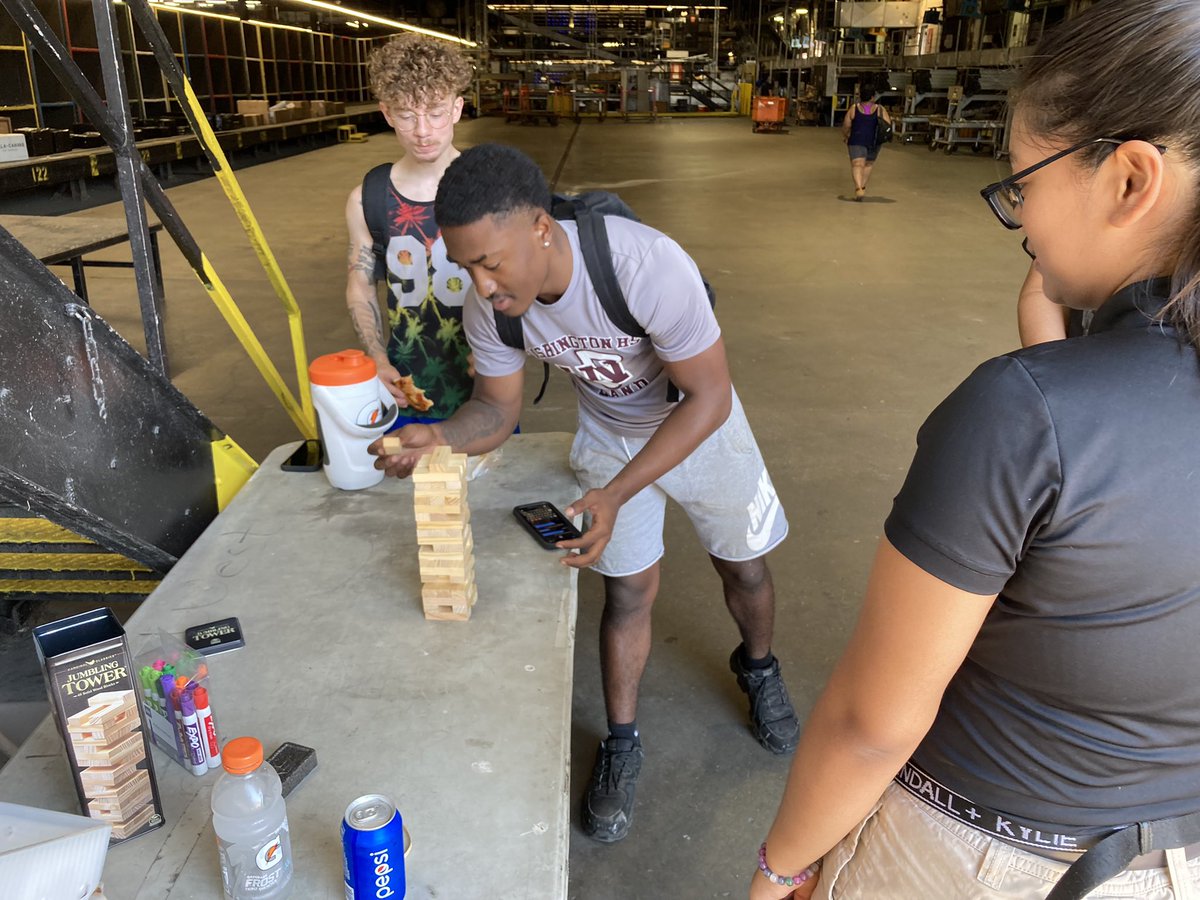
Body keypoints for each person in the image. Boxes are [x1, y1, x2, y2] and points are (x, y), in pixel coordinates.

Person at [753, 2, 1200, 898]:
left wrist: (780, 865)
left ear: (1129, 180)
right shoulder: (1073, 405)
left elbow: (872, 722)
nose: (1022, 218)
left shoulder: (1020, 414)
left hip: (979, 857)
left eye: (1022, 181)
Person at [372, 142, 800, 844]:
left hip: (697, 424)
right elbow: (497, 411)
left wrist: (618, 493)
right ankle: (623, 741)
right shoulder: (497, 305)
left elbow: (709, 395)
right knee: (627, 592)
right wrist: (441, 436)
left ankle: (758, 668)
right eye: (465, 265)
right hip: (609, 434)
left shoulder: (645, 265)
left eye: (490, 262)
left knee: (743, 566)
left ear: (541, 228)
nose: (480, 285)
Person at [344, 34, 474, 425]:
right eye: (406, 114)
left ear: (456, 109)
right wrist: (375, 357)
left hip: (486, 389)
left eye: (435, 112)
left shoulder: (489, 187)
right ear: (386, 113)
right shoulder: (368, 198)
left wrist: (508, 346)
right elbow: (361, 283)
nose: (422, 130)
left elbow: (525, 280)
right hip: (405, 387)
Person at [841, 86, 891, 201]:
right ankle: (863, 187)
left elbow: (846, 125)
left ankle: (858, 188)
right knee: (868, 164)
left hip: (856, 140)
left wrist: (846, 136)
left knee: (857, 164)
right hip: (874, 141)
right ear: (873, 97)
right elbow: (888, 124)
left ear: (860, 96)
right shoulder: (880, 109)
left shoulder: (854, 109)